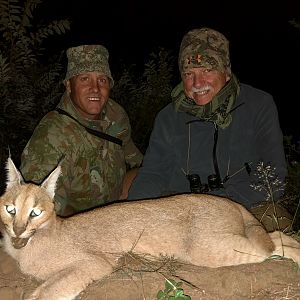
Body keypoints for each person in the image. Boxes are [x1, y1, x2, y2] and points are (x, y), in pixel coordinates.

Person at [128, 28, 288, 214]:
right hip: (182, 209)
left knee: (277, 227)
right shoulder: (168, 117)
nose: (197, 83)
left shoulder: (259, 104)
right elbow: (152, 174)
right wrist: (135, 211)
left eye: (207, 70)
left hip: (244, 206)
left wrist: (217, 203)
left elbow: (274, 177)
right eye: (189, 74)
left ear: (226, 73)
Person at [20, 44, 143, 216]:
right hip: (76, 224)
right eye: (85, 79)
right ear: (69, 85)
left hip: (114, 208)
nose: (95, 88)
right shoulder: (51, 135)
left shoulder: (116, 115)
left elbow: (135, 159)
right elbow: (43, 206)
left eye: (102, 80)